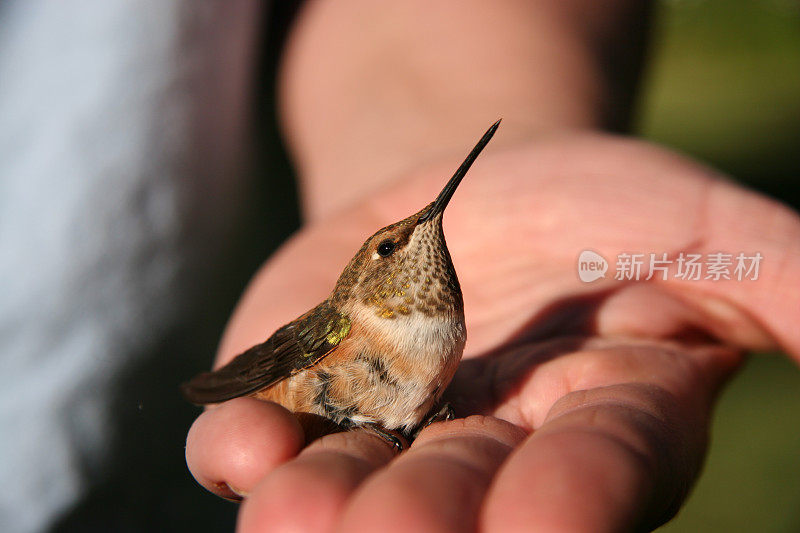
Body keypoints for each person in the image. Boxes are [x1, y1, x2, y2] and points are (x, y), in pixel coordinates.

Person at [184, 1, 800, 532]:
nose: (424, 230)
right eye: (392, 247)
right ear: (370, 277)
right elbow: (283, 362)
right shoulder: (343, 322)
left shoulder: (446, 329)